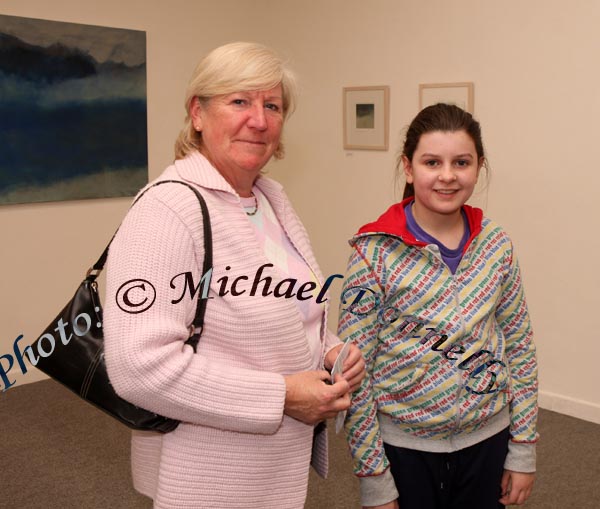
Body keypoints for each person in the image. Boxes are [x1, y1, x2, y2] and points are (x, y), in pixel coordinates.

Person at [103, 42, 365, 509]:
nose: (259, 120)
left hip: (267, 466)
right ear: (197, 113)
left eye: (272, 105)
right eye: (239, 101)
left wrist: (329, 350)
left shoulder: (269, 200)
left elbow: (291, 310)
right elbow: (138, 368)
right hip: (208, 474)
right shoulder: (166, 211)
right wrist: (282, 396)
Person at [338, 103, 538, 509]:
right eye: (432, 162)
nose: (447, 175)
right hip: (404, 450)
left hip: (488, 441)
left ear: (478, 166)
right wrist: (374, 477)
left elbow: (519, 348)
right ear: (408, 168)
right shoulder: (374, 253)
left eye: (461, 162)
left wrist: (523, 448)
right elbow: (354, 372)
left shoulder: (496, 245)